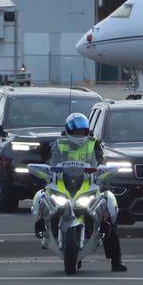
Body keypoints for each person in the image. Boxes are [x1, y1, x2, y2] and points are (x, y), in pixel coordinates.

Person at [32, 113, 127, 272]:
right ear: (68, 130)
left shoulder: (93, 143)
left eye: (83, 131)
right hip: (63, 182)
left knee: (108, 208)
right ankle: (42, 228)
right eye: (76, 132)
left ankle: (116, 261)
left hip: (88, 183)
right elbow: (52, 161)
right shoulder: (59, 144)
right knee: (41, 196)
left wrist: (103, 170)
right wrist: (48, 171)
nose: (80, 135)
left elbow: (100, 160)